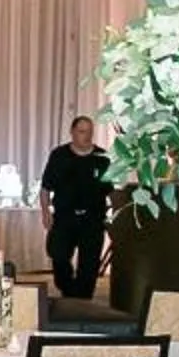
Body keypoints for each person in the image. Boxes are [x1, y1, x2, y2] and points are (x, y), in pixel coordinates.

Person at [40, 115, 111, 300]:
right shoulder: (59, 156)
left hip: (92, 218)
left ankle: (82, 300)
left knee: (89, 264)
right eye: (81, 131)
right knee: (59, 255)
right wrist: (45, 211)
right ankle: (68, 291)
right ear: (72, 132)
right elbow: (46, 187)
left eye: (89, 132)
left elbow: (111, 190)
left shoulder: (102, 158)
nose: (86, 136)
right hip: (65, 217)